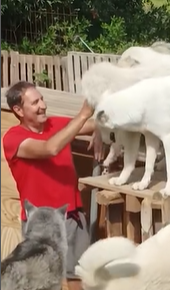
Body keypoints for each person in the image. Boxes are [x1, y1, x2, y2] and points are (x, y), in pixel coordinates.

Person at [2, 81, 104, 290]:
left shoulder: (55, 124)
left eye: (42, 99)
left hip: (72, 217)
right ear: (18, 110)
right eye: (35, 102)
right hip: (42, 224)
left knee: (78, 275)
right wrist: (83, 114)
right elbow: (51, 148)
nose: (43, 105)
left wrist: (99, 131)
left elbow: (96, 124)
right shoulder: (13, 138)